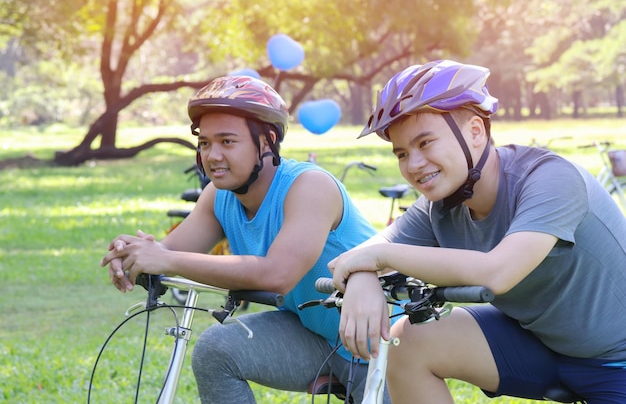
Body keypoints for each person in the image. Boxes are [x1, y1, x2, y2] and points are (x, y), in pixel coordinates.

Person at [328, 60, 626, 404]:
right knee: (407, 343)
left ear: (475, 131)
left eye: (425, 143)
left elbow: (497, 273)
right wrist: (364, 277)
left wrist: (379, 258)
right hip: (539, 345)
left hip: (617, 360)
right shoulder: (440, 207)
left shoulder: (552, 179)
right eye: (402, 153)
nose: (413, 165)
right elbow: (347, 262)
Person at [100, 75, 391, 404]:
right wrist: (132, 255)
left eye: (227, 141)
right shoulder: (218, 196)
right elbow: (168, 251)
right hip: (316, 336)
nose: (212, 156)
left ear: (266, 142)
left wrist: (165, 259)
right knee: (215, 349)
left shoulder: (310, 186)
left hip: (384, 341)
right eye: (205, 143)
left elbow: (277, 275)